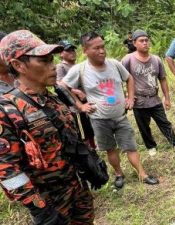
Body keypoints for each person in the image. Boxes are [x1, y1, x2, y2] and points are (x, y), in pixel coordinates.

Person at [0, 30, 94, 225]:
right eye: (43, 61)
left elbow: (69, 139)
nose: (53, 67)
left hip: (77, 187)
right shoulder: (8, 110)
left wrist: (89, 163)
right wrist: (39, 208)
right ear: (18, 65)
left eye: (52, 60)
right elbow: (8, 171)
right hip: (49, 200)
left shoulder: (53, 98)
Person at [61, 31, 159, 189]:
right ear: (85, 50)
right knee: (110, 149)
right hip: (99, 120)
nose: (102, 51)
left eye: (103, 47)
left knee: (130, 146)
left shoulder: (114, 64)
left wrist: (130, 97)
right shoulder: (80, 70)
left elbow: (129, 78)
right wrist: (80, 105)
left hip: (120, 116)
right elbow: (62, 86)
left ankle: (142, 174)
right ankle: (119, 174)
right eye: (96, 48)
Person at [121, 30, 175, 156]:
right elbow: (119, 79)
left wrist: (167, 98)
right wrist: (126, 96)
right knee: (143, 126)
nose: (145, 43)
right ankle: (151, 146)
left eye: (146, 40)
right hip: (139, 100)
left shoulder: (156, 60)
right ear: (135, 43)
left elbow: (162, 79)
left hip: (154, 98)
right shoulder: (128, 60)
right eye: (141, 41)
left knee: (164, 122)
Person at [56, 39, 96, 149]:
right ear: (61, 53)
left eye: (73, 50)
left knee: (87, 123)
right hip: (71, 102)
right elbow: (59, 84)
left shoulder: (78, 66)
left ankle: (92, 145)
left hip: (84, 99)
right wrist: (75, 91)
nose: (72, 52)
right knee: (77, 125)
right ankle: (83, 146)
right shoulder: (61, 67)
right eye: (68, 50)